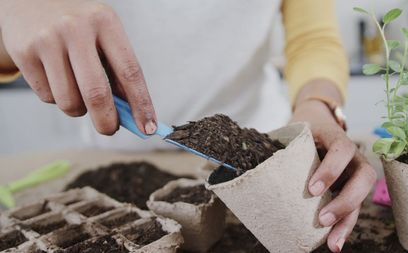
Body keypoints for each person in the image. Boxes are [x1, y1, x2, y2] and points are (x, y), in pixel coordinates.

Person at [0, 0, 376, 251]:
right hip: (113, 142)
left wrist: (318, 103)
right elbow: (19, 42)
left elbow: (313, 38)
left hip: (260, 150)